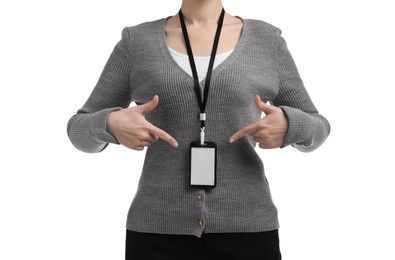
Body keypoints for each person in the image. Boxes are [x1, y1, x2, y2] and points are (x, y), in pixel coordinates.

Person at [67, 0, 331, 259]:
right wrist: (110, 124)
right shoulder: (136, 42)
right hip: (157, 231)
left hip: (248, 229)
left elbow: (318, 126)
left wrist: (290, 123)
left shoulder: (267, 40)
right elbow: (78, 129)